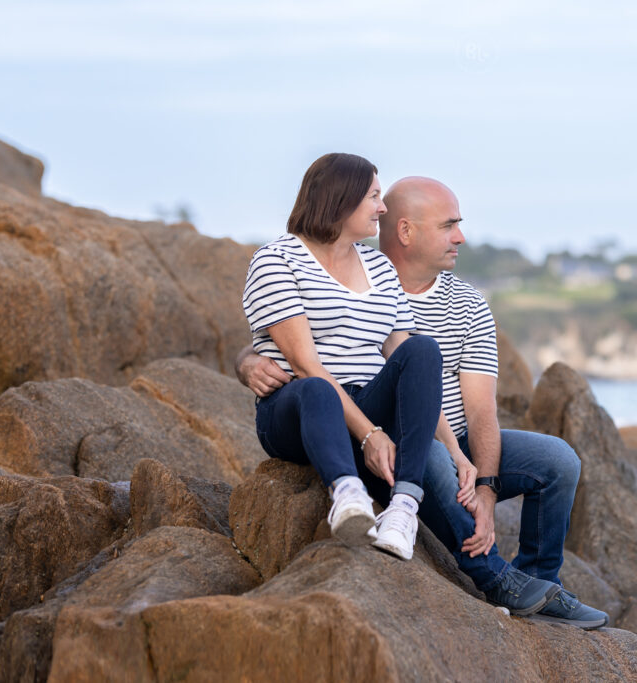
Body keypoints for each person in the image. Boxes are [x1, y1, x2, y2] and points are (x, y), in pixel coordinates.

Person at [238, 177, 608, 629]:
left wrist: (485, 487)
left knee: (558, 460)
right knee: (427, 451)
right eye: (449, 226)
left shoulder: (465, 303)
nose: (461, 237)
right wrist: (247, 361)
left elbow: (482, 412)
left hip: (451, 439)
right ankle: (492, 574)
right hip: (390, 433)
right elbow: (296, 347)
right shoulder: (344, 272)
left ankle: (540, 587)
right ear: (407, 231)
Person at [242, 153, 443, 561]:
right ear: (341, 199)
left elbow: (406, 360)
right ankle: (348, 496)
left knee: (424, 349)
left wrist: (454, 451)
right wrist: (371, 435)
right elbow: (304, 365)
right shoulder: (277, 259)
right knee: (314, 386)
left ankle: (403, 509)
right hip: (297, 412)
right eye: (373, 196)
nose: (382, 207)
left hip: (365, 399)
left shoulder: (381, 268)